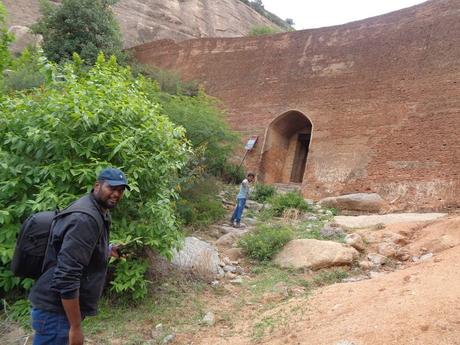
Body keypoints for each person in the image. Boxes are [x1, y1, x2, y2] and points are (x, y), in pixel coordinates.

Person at [29, 168, 129, 345]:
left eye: (120, 190)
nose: (116, 194)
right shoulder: (85, 219)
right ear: (97, 185)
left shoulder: (95, 209)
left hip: (58, 311)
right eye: (112, 188)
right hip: (56, 313)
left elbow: (75, 250)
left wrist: (107, 249)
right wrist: (75, 327)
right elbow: (67, 275)